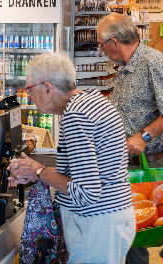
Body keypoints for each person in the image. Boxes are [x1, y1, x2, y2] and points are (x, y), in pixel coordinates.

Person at [7, 53, 136, 263]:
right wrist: (38, 176)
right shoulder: (90, 101)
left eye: (29, 89)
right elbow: (85, 176)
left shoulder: (76, 116)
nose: (28, 95)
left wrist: (40, 171)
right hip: (110, 219)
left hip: (96, 224)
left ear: (48, 88)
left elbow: (86, 192)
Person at [97, 14, 163, 264]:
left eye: (101, 44)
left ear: (114, 41)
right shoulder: (126, 67)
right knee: (132, 231)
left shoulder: (153, 62)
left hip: (152, 166)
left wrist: (145, 136)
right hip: (130, 164)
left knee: (148, 226)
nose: (101, 50)